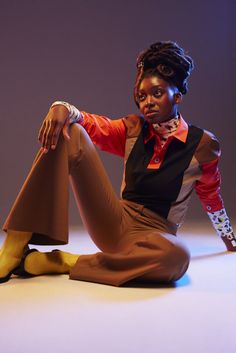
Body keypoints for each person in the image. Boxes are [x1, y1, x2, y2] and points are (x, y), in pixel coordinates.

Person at [0, 41, 235, 286]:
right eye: (141, 96)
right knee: (72, 132)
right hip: (114, 222)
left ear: (176, 96)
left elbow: (210, 193)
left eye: (156, 93)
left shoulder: (202, 144)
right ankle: (14, 247)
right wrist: (62, 107)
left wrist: (229, 237)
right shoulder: (133, 129)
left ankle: (65, 262)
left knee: (177, 257)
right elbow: (94, 124)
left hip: (154, 236)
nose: (148, 103)